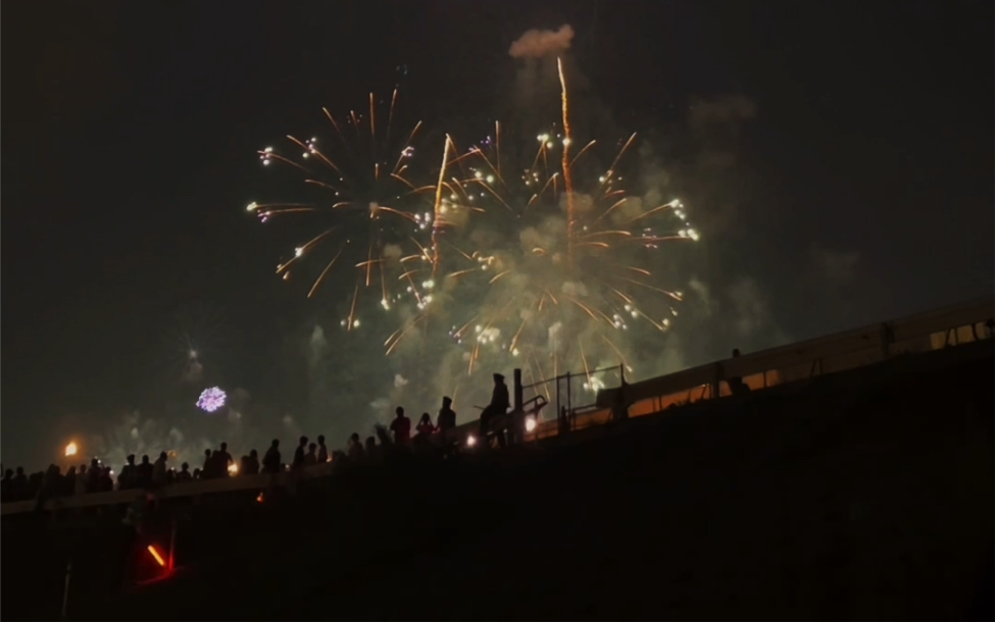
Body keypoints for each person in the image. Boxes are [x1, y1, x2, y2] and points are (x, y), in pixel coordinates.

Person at [480, 373, 510, 447]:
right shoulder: (500, 387)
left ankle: (482, 435)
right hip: (497, 408)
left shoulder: (501, 388)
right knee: (498, 431)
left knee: (484, 415)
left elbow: (497, 401)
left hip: (498, 409)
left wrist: (491, 407)